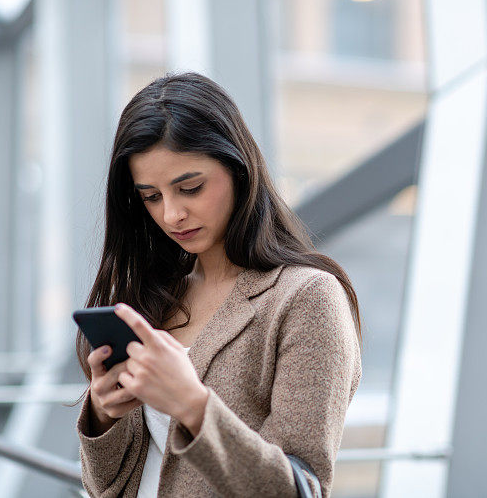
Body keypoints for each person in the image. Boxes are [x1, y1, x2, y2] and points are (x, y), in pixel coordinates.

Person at [74, 72, 363, 497]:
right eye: (151, 196)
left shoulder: (305, 298)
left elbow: (300, 490)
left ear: (238, 170)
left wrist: (192, 405)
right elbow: (105, 489)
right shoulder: (154, 299)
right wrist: (104, 414)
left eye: (190, 188)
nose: (172, 214)